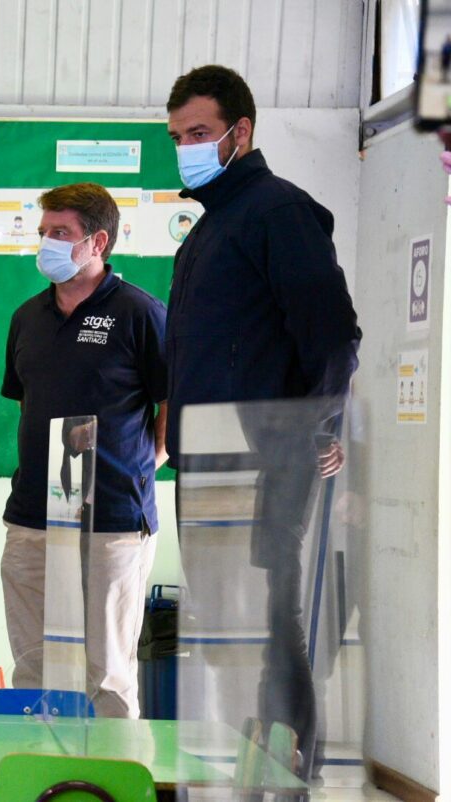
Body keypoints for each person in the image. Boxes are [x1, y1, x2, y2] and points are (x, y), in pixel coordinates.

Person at [164, 65, 360, 778]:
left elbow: (332, 339)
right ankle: (248, 778)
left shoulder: (278, 212)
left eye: (199, 132)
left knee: (270, 634)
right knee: (228, 640)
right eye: (177, 136)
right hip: (206, 471)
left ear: (239, 133)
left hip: (260, 467)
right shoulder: (210, 229)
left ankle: (288, 779)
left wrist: (311, 436)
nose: (185, 148)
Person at [1, 182, 168, 718]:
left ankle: (112, 768)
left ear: (98, 242)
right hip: (33, 513)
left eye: (61, 232)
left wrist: (143, 466)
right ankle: (38, 764)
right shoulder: (26, 317)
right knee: (33, 668)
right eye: (43, 231)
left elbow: (173, 404)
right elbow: (28, 402)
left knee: (107, 672)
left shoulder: (140, 312)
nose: (46, 242)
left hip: (113, 517)